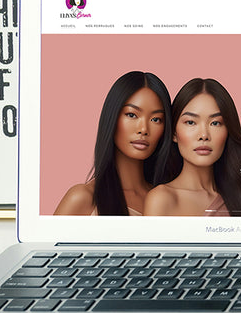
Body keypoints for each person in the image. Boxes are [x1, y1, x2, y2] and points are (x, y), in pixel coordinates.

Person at [143, 77, 241, 217]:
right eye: (191, 122)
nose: (204, 135)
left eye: (215, 123)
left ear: (228, 131)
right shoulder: (162, 199)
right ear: (174, 132)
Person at [54, 71, 174, 216]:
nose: (143, 129)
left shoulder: (168, 200)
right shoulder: (83, 198)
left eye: (156, 119)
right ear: (112, 117)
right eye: (131, 115)